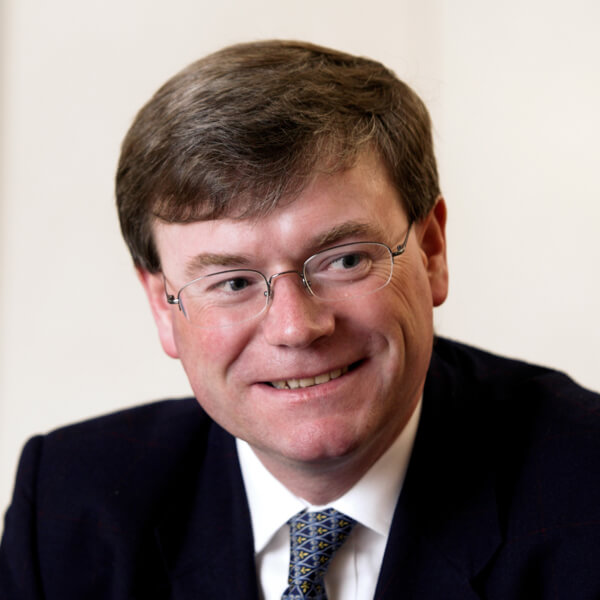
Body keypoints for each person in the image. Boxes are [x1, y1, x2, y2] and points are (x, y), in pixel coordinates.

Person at [1, 40, 599, 600]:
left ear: (432, 250)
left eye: (345, 260)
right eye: (233, 282)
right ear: (163, 303)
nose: (296, 328)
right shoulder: (68, 509)